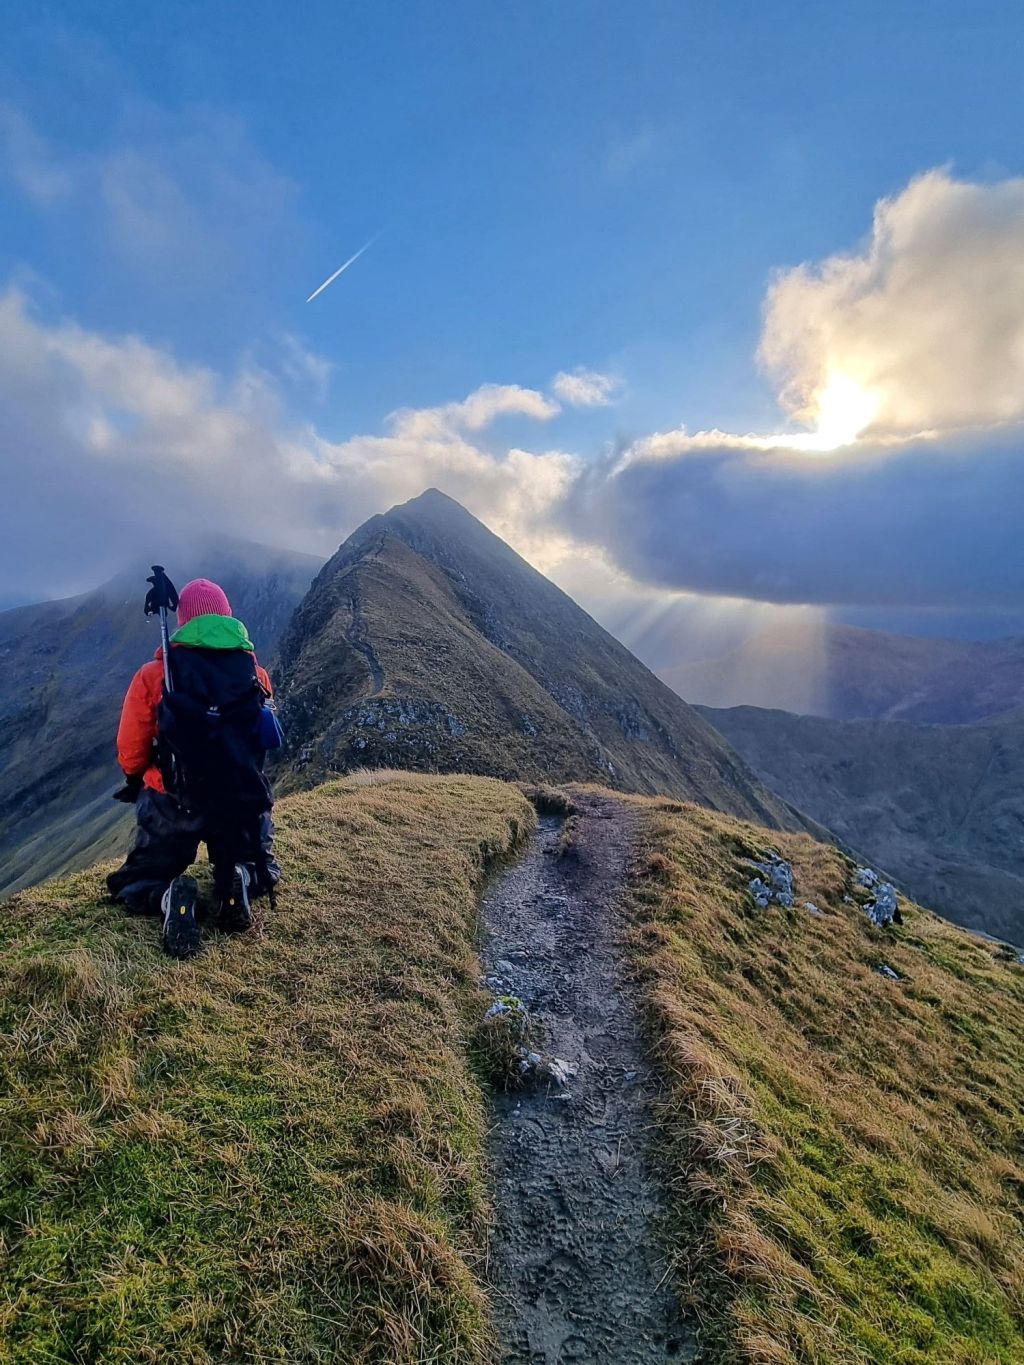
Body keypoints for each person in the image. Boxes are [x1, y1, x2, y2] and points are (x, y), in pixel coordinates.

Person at [107, 577, 281, 958]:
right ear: (227, 617)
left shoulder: (157, 676)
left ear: (184, 620)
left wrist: (139, 777)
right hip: (237, 799)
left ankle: (169, 895)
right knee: (260, 868)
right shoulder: (256, 675)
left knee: (138, 884)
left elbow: (131, 746)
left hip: (174, 799)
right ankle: (240, 879)